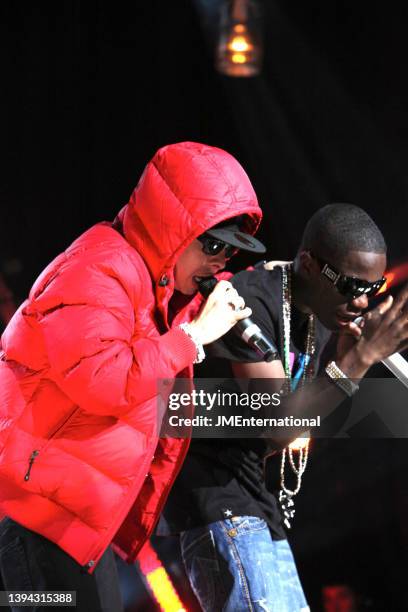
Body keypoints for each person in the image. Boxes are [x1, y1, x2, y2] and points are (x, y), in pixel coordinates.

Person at [0, 141, 266, 611]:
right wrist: (193, 337)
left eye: (231, 252)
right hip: (32, 518)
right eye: (214, 245)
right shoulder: (98, 269)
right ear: (173, 229)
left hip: (70, 519)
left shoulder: (158, 289)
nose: (221, 261)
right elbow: (104, 380)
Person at [158, 203, 408, 611]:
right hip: (217, 501)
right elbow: (277, 425)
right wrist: (357, 361)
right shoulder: (252, 300)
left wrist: (340, 364)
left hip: (257, 500)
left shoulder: (322, 310)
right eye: (349, 285)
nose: (361, 302)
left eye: (371, 288)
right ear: (309, 264)